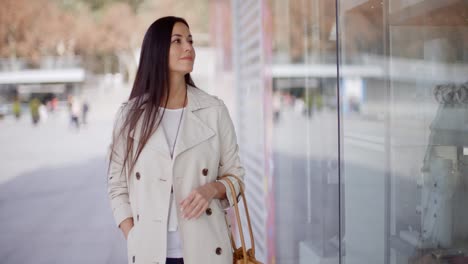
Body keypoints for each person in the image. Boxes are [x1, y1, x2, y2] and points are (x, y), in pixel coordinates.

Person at [107, 16, 245, 264]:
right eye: (178, 41)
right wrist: (134, 236)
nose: (189, 47)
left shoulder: (214, 110)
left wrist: (211, 189)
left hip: (208, 250)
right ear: (157, 50)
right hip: (151, 253)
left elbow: (236, 177)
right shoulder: (130, 115)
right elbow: (117, 186)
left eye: (190, 40)